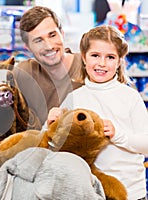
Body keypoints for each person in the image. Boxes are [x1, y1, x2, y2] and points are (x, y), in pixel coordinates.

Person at [47, 25, 148, 200]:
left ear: (119, 62)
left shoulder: (130, 97)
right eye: (95, 55)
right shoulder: (73, 98)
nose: (102, 63)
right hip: (88, 193)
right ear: (84, 58)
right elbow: (52, 148)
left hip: (130, 193)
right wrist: (49, 125)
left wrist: (118, 134)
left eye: (110, 57)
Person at [14, 6, 84, 125]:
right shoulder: (24, 73)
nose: (49, 46)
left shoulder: (90, 66)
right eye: (38, 41)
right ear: (28, 47)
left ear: (62, 33)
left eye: (52, 35)